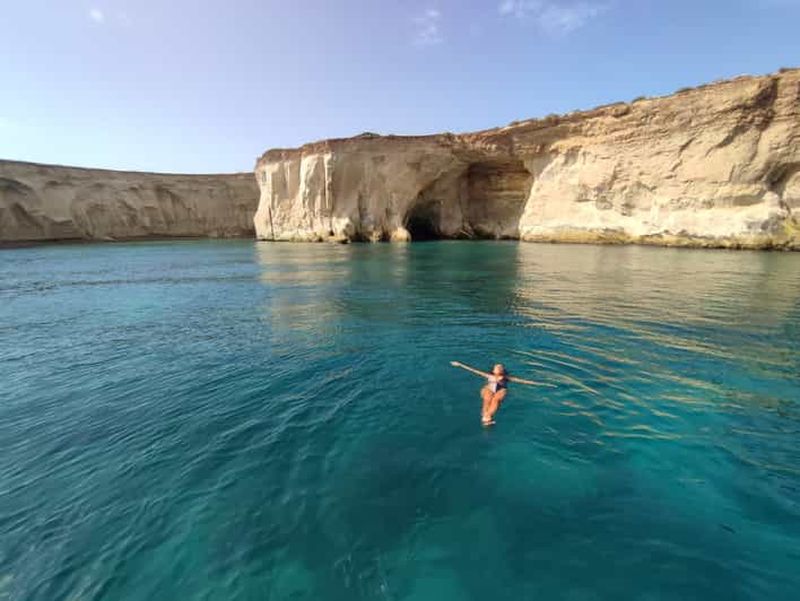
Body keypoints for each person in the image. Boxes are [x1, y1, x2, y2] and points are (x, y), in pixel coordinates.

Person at [450, 360, 544, 426]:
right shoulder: (488, 375)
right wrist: (460, 364)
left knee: (496, 400)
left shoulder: (507, 378)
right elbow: (474, 370)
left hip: (500, 390)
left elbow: (523, 381)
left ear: (502, 371)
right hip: (489, 389)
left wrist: (541, 383)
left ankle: (488, 416)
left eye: (500, 367)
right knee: (487, 399)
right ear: (493, 370)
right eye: (496, 367)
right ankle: (485, 417)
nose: (498, 368)